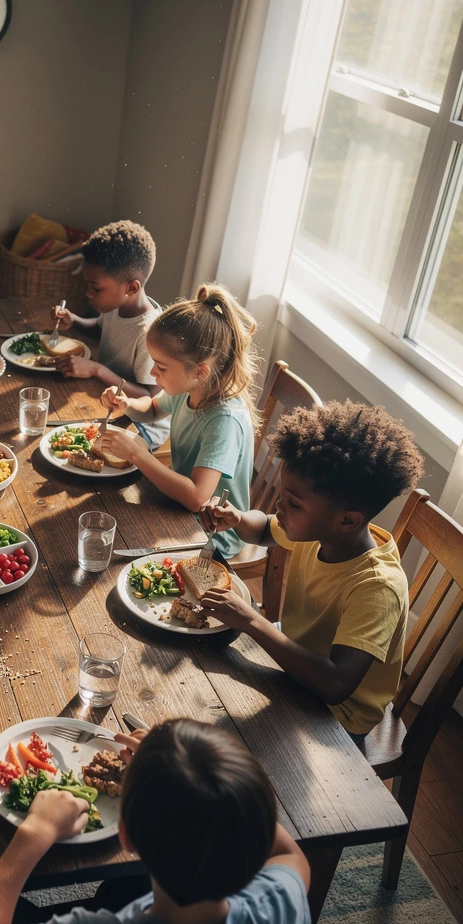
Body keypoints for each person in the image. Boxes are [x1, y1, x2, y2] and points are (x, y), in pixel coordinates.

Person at [0, 719, 311, 924]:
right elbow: (290, 855)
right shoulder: (277, 907)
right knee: (122, 889)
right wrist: (193, 774)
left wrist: (36, 832)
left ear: (126, 838)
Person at [198, 401, 425, 741]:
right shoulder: (316, 529)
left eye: (293, 503)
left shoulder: (377, 587)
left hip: (337, 717)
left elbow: (335, 684)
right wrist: (237, 517)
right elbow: (262, 529)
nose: (279, 507)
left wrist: (251, 620)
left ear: (348, 520)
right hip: (292, 663)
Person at [96, 283, 259, 558]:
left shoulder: (224, 420)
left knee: (113, 538)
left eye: (161, 367)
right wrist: (128, 404)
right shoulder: (190, 389)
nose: (152, 372)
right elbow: (151, 409)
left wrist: (137, 454)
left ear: (200, 370)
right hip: (176, 507)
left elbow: (197, 497)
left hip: (211, 536)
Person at [50, 219, 170, 447]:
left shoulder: (151, 333)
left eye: (96, 288)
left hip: (140, 427)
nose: (87, 293)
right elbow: (99, 328)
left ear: (131, 288)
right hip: (106, 401)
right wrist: (72, 321)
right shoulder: (117, 306)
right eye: (87, 285)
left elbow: (150, 397)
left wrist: (97, 369)